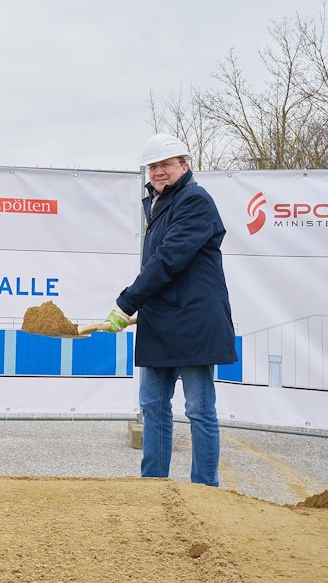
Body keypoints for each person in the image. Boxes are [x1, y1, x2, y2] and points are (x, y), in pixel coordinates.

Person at [104, 133, 236, 487]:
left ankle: (204, 490)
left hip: (193, 320)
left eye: (165, 164)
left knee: (199, 409)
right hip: (160, 319)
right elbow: (160, 265)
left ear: (184, 165)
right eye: (152, 166)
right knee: (153, 406)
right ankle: (153, 488)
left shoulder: (195, 200)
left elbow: (168, 260)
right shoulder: (158, 202)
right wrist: (137, 304)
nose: (158, 171)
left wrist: (126, 303)